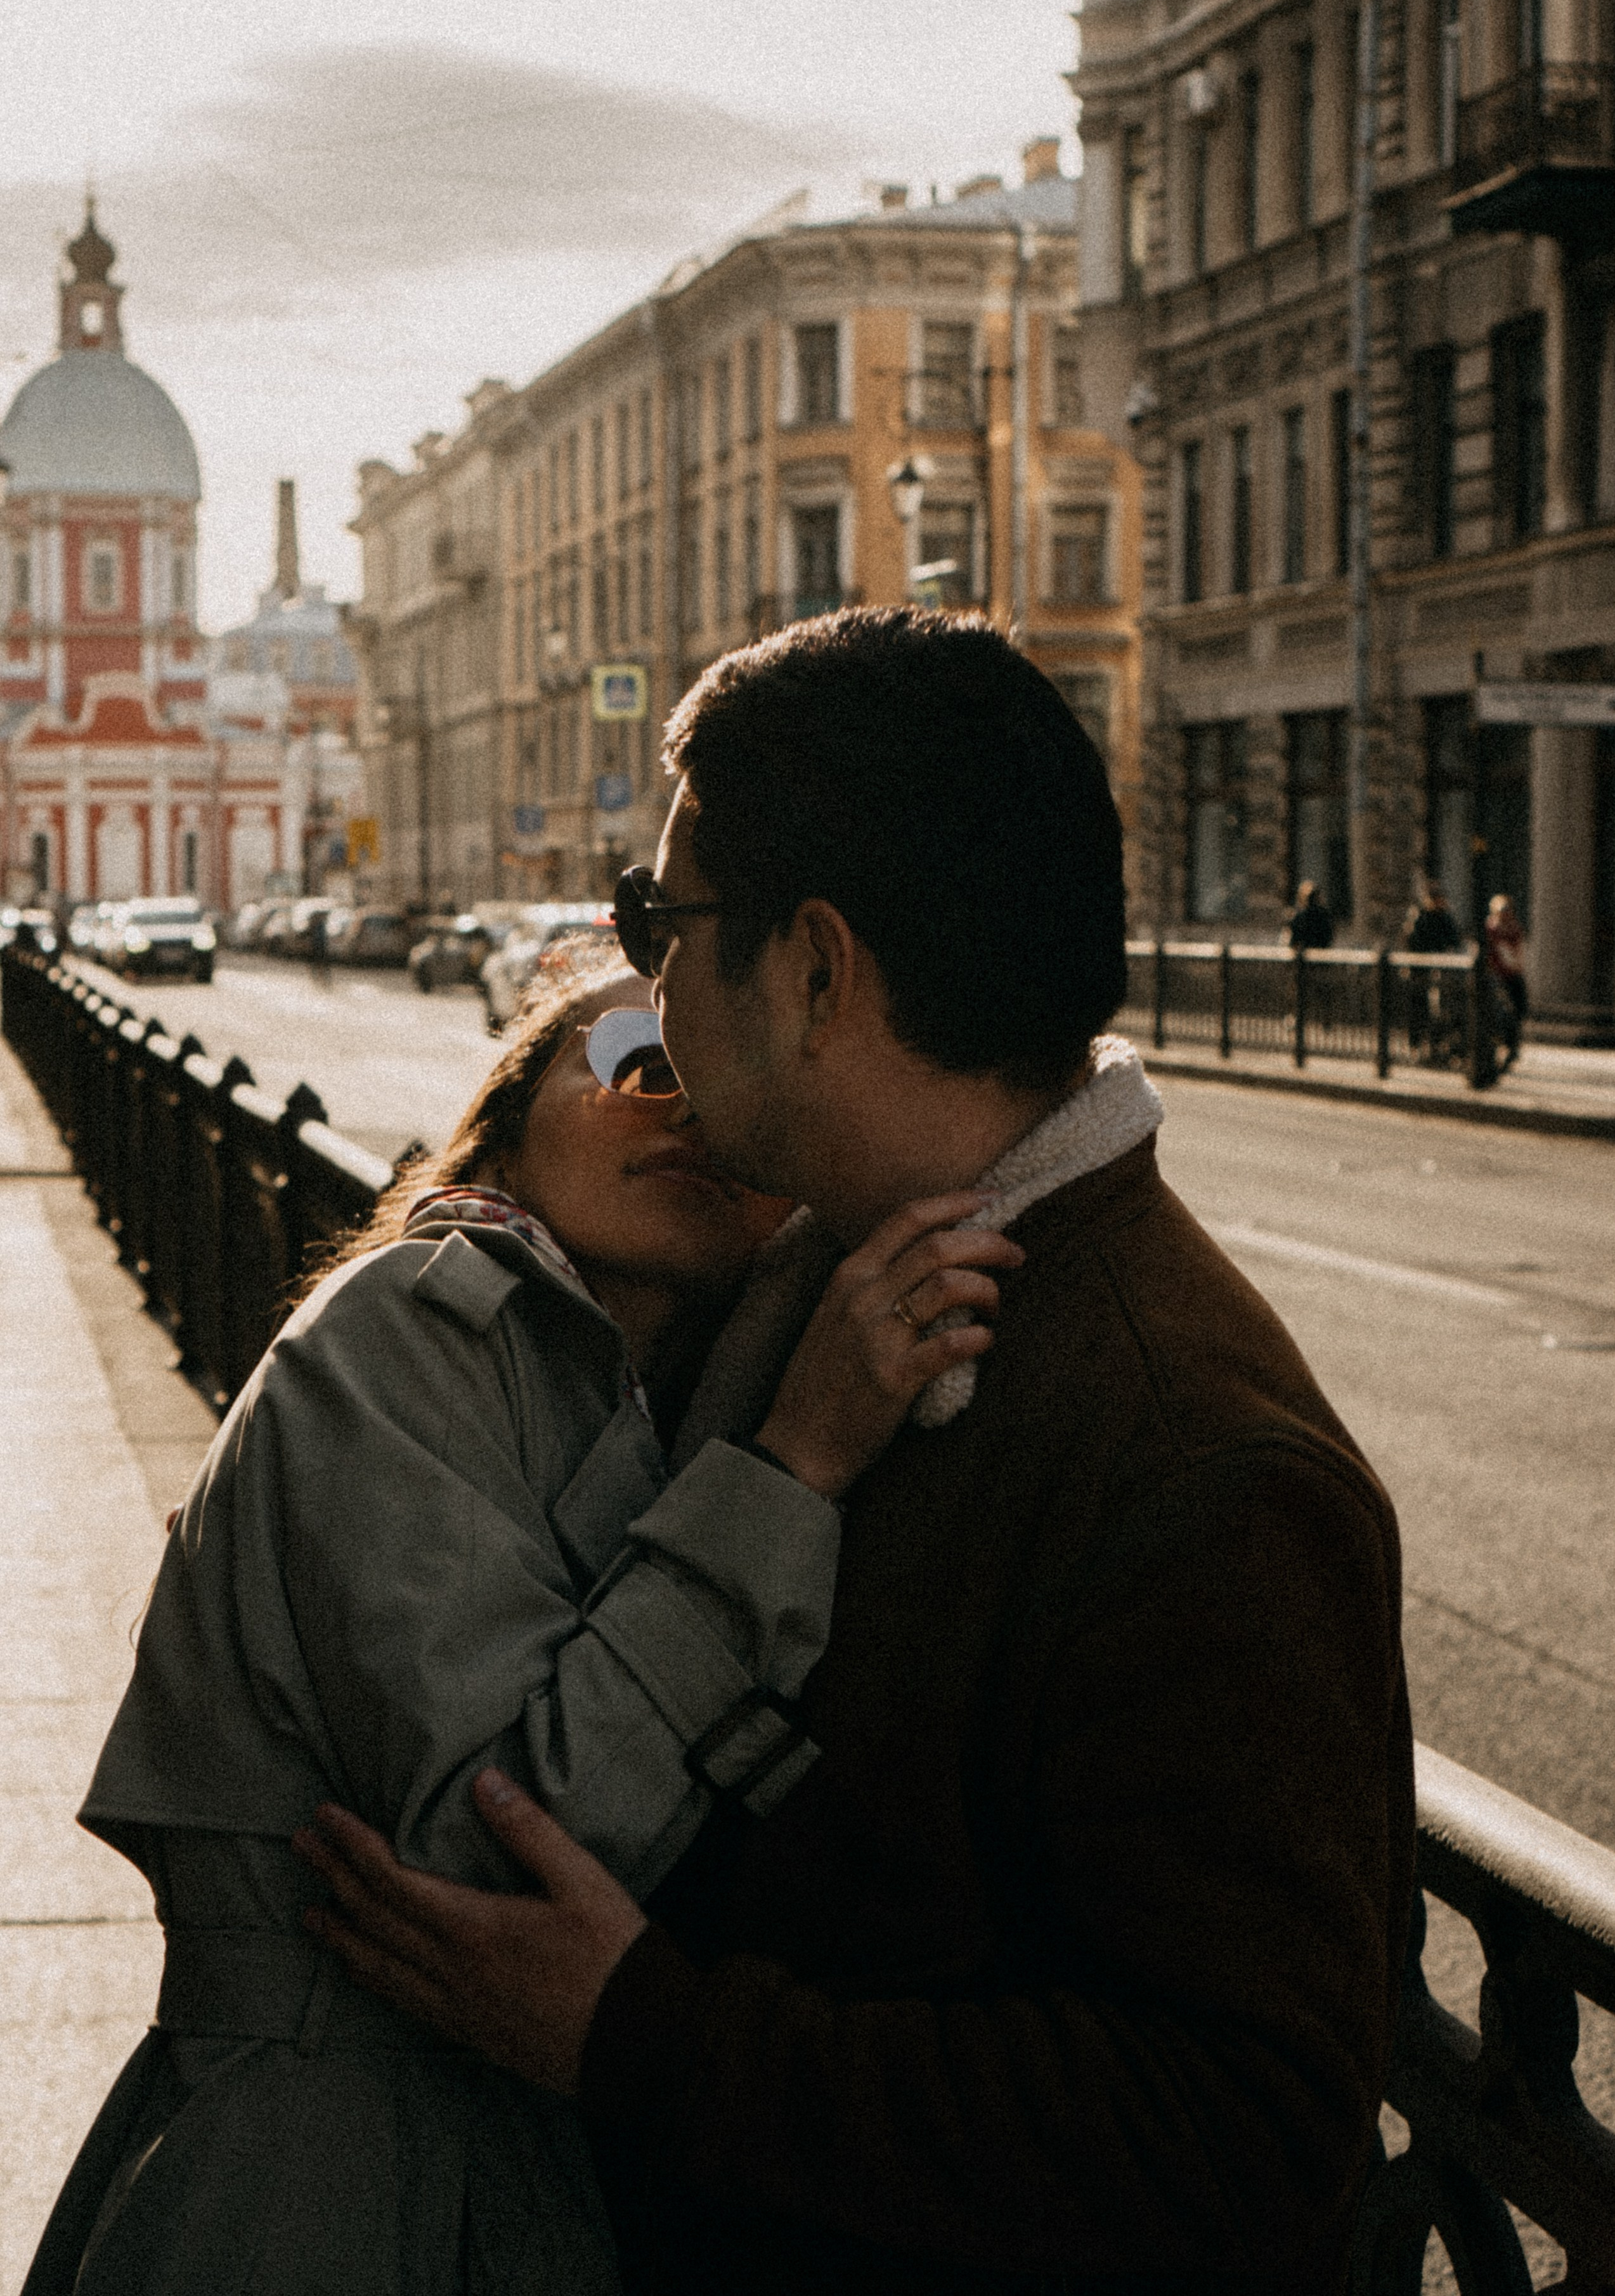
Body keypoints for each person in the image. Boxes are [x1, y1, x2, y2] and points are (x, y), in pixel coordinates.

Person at [302, 607, 1415, 2296]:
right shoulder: (814, 1284)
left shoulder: (1188, 1452)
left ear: (815, 970)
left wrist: (645, 2036)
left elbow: (1245, 2134)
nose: (643, 981)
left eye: (655, 922)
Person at [23, 931, 1021, 2296]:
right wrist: (790, 1471)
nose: (678, 1107)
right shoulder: (408, 1318)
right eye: (628, 1060)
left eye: (719, 1093)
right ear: (500, 1123)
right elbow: (492, 1851)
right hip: (324, 2182)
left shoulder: (616, 1381)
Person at [1403, 881, 1464, 1062]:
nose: (1438, 902)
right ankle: (1417, 1046)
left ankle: (1439, 1046)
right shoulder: (1419, 917)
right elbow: (1413, 942)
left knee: (1442, 1011)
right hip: (1420, 972)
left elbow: (1455, 939)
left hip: (1441, 971)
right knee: (1419, 1010)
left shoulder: (1445, 917)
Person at [1485, 892, 1528, 1069]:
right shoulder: (1491, 929)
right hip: (1498, 977)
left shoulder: (1514, 929)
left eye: (1508, 910)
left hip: (1513, 976)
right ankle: (1502, 1048)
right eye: (1502, 910)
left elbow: (1518, 953)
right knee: (1502, 1014)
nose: (1505, 914)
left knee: (1517, 1012)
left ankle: (1513, 1048)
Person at [1285, 876, 1335, 949]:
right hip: (1322, 953)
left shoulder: (1299, 916)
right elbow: (1330, 937)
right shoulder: (1325, 914)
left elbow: (1293, 941)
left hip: (1307, 954)